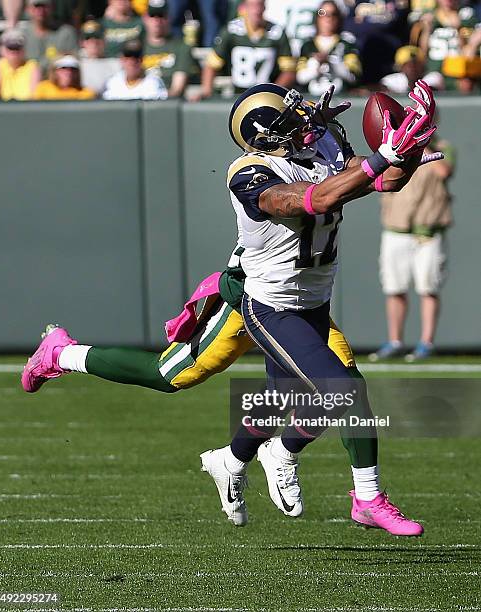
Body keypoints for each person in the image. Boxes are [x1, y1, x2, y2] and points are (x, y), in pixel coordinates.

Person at [199, 81, 437, 532]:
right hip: (272, 306)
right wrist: (384, 155)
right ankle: (367, 496)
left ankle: (235, 459)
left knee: (284, 399)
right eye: (290, 120)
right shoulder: (250, 173)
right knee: (345, 388)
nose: (306, 119)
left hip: (313, 300)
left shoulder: (323, 140)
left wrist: (405, 150)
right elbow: (317, 198)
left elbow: (382, 180)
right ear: (267, 137)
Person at [369, 133, 455, 362]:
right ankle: (395, 341)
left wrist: (423, 147)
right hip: (396, 227)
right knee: (394, 287)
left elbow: (444, 172)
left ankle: (426, 343)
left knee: (428, 287)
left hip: (428, 229)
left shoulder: (443, 146)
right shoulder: (391, 147)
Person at [198, 0, 296, 99]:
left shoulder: (277, 33)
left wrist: (273, 93)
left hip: (267, 98)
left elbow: (289, 71)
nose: (256, 10)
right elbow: (211, 64)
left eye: (259, 5)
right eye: (252, 5)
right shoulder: (231, 31)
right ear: (243, 8)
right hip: (238, 96)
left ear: (265, 7)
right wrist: (206, 90)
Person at [410, 0, 479, 92]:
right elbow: (423, 51)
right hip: (435, 69)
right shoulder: (430, 15)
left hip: (458, 70)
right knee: (428, 86)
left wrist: (458, 29)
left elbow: (467, 51)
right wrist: (427, 30)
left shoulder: (466, 15)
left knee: (466, 85)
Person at [297, 1, 362, 97]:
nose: (328, 18)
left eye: (333, 14)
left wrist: (331, 62)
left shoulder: (348, 44)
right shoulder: (307, 45)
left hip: (341, 98)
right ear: (316, 17)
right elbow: (300, 78)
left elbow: (353, 76)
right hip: (311, 100)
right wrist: (316, 66)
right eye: (322, 13)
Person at [142, 0, 198, 98]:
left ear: (169, 18)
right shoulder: (138, 47)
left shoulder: (182, 47)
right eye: (152, 15)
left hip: (167, 102)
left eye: (161, 15)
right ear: (145, 18)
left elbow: (177, 89)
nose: (157, 21)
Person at [23, 0, 78, 76]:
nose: (41, 11)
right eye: (37, 6)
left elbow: (73, 61)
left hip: (56, 82)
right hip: (28, 81)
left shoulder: (65, 33)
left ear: (52, 8)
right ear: (28, 9)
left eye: (45, 6)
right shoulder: (22, 34)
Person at [102, 39, 168, 100]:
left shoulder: (154, 82)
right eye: (128, 56)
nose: (132, 61)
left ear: (142, 60)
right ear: (121, 59)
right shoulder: (113, 82)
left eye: (136, 57)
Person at [0, 28, 41, 101]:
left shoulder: (32, 66)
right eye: (10, 47)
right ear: (2, 50)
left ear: (24, 50)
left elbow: (34, 97)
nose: (14, 52)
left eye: (17, 47)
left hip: (26, 109)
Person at [79, 19, 122, 95]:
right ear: (82, 43)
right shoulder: (76, 66)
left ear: (104, 40)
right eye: (88, 38)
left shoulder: (117, 64)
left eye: (97, 37)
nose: (94, 42)